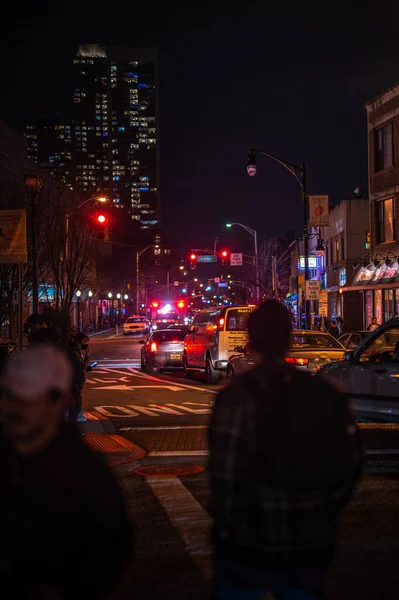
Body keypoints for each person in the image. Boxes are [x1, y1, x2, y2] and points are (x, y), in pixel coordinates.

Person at [209, 300, 363, 600]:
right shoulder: (324, 394)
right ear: (289, 337)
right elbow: (351, 460)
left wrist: (227, 526)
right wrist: (324, 508)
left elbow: (224, 478)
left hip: (247, 542)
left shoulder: (235, 399)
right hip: (309, 539)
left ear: (251, 340)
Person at [0, 343, 133, 599]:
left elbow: (112, 548)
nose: (13, 407)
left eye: (27, 398)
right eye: (9, 395)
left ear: (59, 401)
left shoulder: (85, 473)